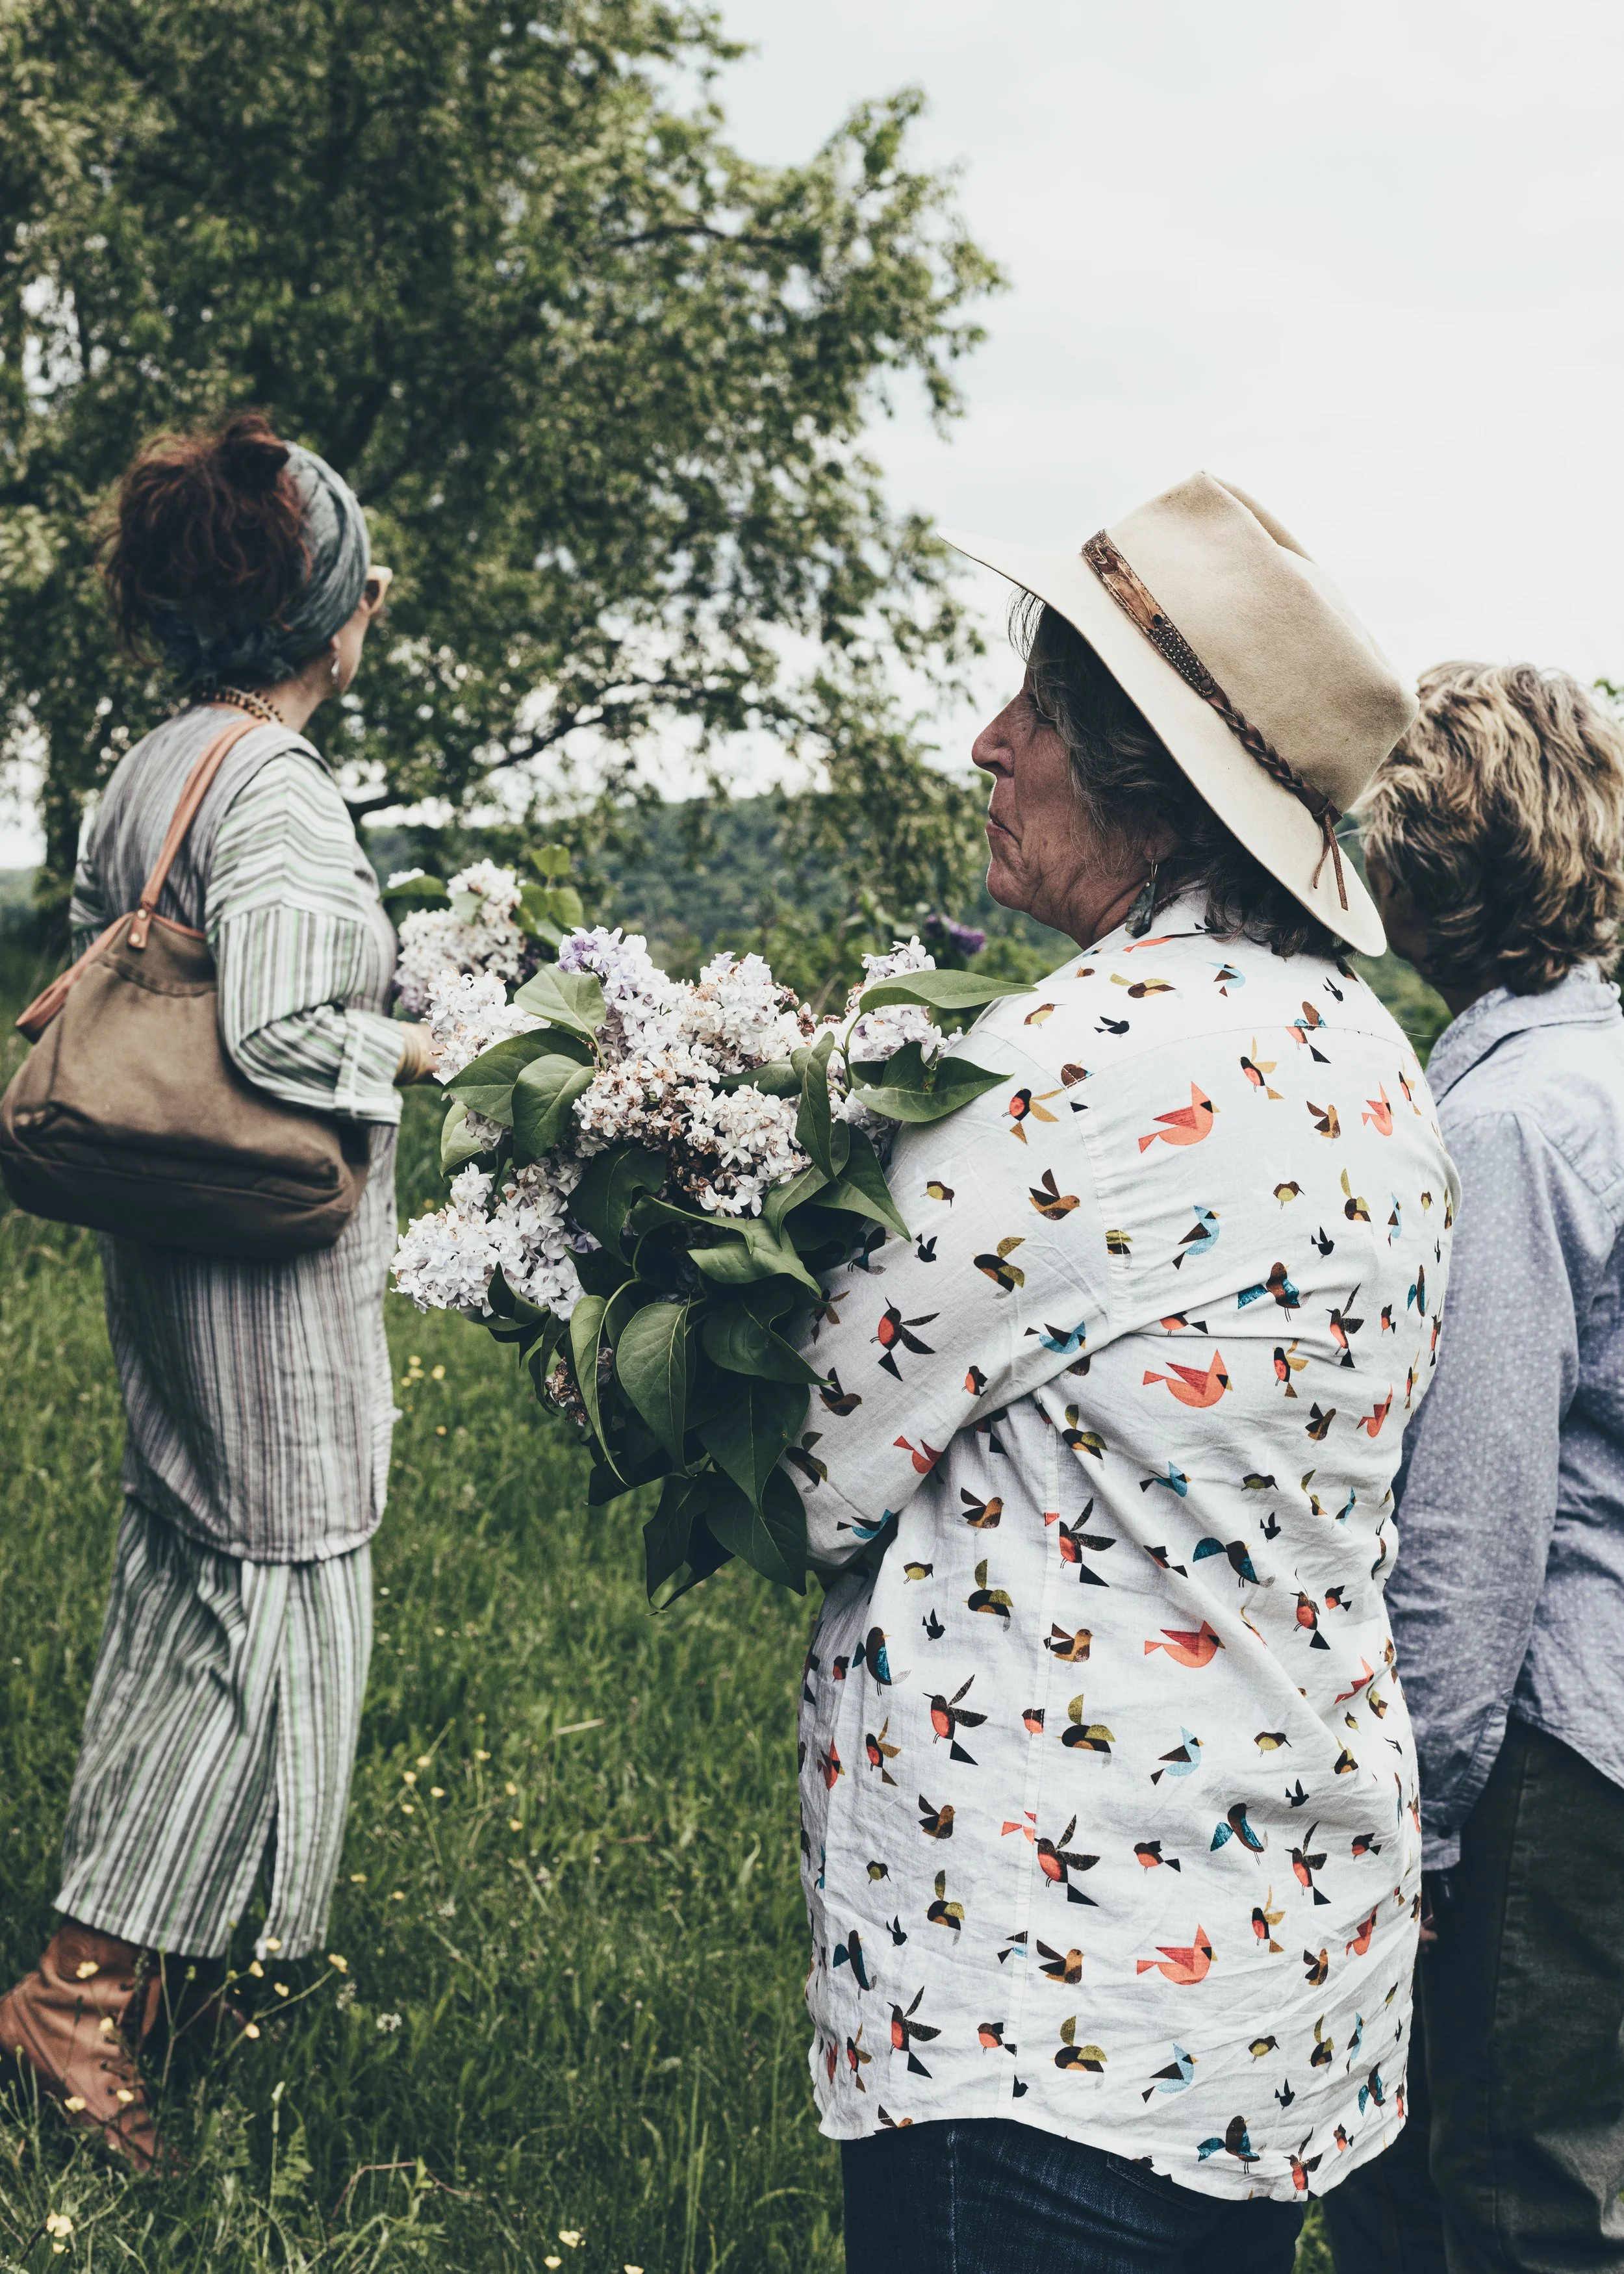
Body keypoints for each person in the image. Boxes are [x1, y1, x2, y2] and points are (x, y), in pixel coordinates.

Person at [781, 472, 1458, 2272]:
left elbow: (805, 1456)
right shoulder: (1365, 1064)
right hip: (1270, 1985)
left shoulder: (1059, 1070)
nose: (985, 743)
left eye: (1040, 716)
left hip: (1045, 2009)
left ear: (1149, 791)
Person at [0, 411, 436, 2167]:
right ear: (332, 612)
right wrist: (433, 1042)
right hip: (268, 1276)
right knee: (264, 1619)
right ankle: (82, 1996)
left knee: (189, 1578)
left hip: (174, 1247)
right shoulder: (285, 794)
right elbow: (273, 1027)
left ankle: (132, 1976)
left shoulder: (153, 758)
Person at [1319, 663, 1624, 2274]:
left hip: (1540, 1759)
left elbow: (1476, 1512)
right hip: (1604, 1724)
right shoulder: (1599, 1075)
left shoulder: (1509, 1126)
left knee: (1509, 2204)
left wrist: (1415, 1821)